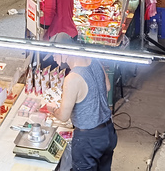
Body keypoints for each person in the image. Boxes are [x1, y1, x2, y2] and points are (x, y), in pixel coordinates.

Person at [48, 35, 117, 171]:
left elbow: (63, 116)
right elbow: (107, 87)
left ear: (63, 52)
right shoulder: (95, 60)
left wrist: (52, 109)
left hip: (88, 140)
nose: (54, 58)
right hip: (108, 132)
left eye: (54, 54)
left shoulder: (73, 78)